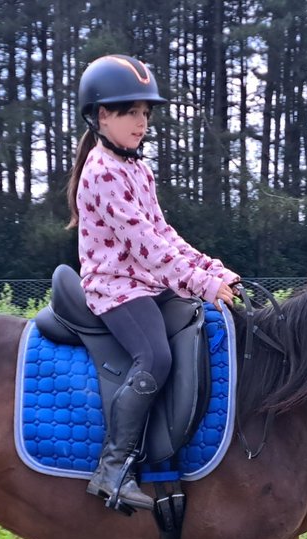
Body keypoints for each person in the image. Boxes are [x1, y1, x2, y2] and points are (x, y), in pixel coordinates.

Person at [67, 54, 240, 513]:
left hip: (146, 283)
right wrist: (199, 282)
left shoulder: (138, 168)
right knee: (155, 357)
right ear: (102, 116)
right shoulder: (102, 171)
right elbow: (144, 245)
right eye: (131, 112)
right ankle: (114, 466)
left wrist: (213, 269)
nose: (142, 122)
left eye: (146, 113)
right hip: (115, 288)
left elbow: (164, 233)